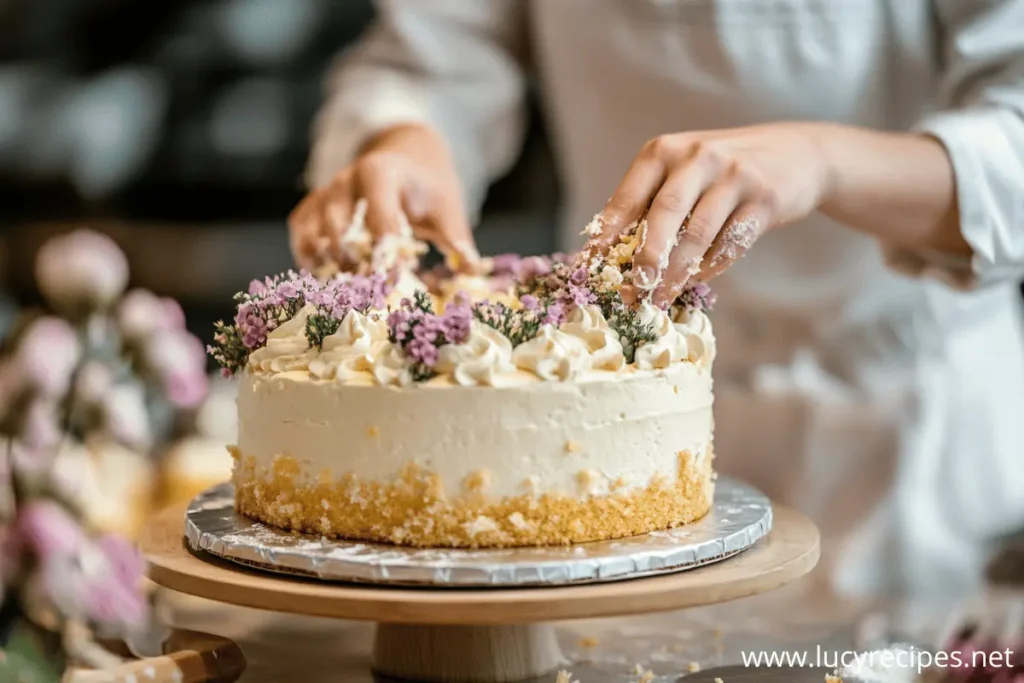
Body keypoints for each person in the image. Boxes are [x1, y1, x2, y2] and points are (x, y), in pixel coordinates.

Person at [288, 1, 1024, 598]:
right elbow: (434, 56)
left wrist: (824, 159)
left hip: (913, 450)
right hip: (581, 423)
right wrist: (409, 135)